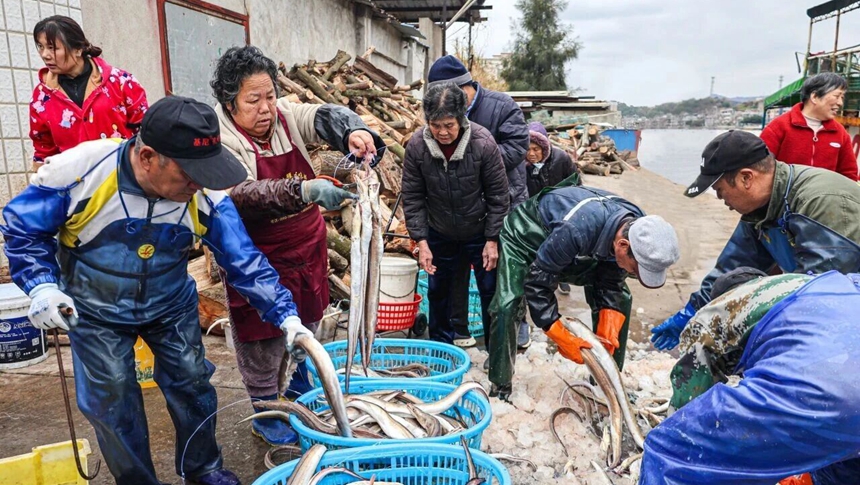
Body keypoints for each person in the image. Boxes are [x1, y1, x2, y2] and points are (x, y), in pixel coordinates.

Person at [0, 96, 315, 485]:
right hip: (93, 308)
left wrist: (287, 317)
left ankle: (203, 470)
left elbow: (243, 259)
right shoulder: (83, 171)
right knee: (111, 397)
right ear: (148, 157)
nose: (197, 183)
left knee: (193, 382)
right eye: (188, 174)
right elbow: (23, 229)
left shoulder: (204, 195)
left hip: (170, 304)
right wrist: (42, 285)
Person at [211, 46, 384, 446]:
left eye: (269, 96)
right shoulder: (221, 139)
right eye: (253, 100)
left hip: (306, 249)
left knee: (305, 320)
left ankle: (300, 388)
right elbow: (244, 194)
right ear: (229, 102)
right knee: (262, 336)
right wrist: (304, 189)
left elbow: (322, 116)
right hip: (257, 255)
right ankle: (268, 412)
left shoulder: (286, 116)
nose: (266, 108)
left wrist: (352, 132)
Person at [641, 270, 860, 484]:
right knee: (840, 464)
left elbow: (689, 405)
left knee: (670, 449)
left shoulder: (718, 312)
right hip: (844, 395)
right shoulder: (817, 284)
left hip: (826, 392)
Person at [651, 130, 860, 352]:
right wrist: (694, 311)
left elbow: (818, 294)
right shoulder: (762, 209)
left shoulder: (820, 202)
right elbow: (733, 266)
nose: (722, 201)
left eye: (720, 191)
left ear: (746, 178)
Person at [487, 182, 680, 400]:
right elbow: (539, 282)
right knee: (508, 304)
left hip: (570, 243)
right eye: (635, 269)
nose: (634, 274)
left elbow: (611, 275)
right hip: (527, 236)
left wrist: (610, 317)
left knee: (621, 300)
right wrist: (557, 330)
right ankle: (500, 385)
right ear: (623, 246)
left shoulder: (640, 227)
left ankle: (606, 381)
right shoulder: (577, 229)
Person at [426, 55, 529, 348]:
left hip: (503, 202)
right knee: (455, 269)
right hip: (459, 208)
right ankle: (460, 329)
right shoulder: (440, 115)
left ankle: (515, 324)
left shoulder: (502, 106)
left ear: (467, 88)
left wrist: (480, 163)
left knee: (503, 270)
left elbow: (518, 146)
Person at [401, 82, 509, 346]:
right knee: (438, 291)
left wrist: (492, 239)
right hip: (440, 230)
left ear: (462, 119)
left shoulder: (483, 143)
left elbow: (499, 196)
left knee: (489, 290)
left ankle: (494, 352)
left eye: (449, 125)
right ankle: (442, 348)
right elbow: (413, 197)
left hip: (479, 230)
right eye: (435, 125)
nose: (442, 132)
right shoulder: (417, 146)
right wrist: (422, 241)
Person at [29, 15, 148, 171]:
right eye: (40, 46)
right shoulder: (41, 97)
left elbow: (145, 131)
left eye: (52, 48)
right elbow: (44, 148)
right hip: (74, 185)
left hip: (122, 179)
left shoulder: (121, 82)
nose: (45, 54)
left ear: (78, 49)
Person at [760, 72, 858, 181]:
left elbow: (849, 174)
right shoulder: (778, 127)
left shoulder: (840, 132)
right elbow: (761, 169)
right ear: (815, 97)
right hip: (784, 197)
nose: (840, 103)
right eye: (836, 96)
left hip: (823, 197)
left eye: (842, 97)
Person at [524, 121, 581, 304]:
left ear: (544, 147)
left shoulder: (561, 158)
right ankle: (541, 281)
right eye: (528, 149)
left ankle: (563, 279)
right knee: (539, 247)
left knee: (562, 246)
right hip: (536, 213)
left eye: (536, 149)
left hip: (560, 212)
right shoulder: (522, 165)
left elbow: (575, 183)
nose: (532, 154)